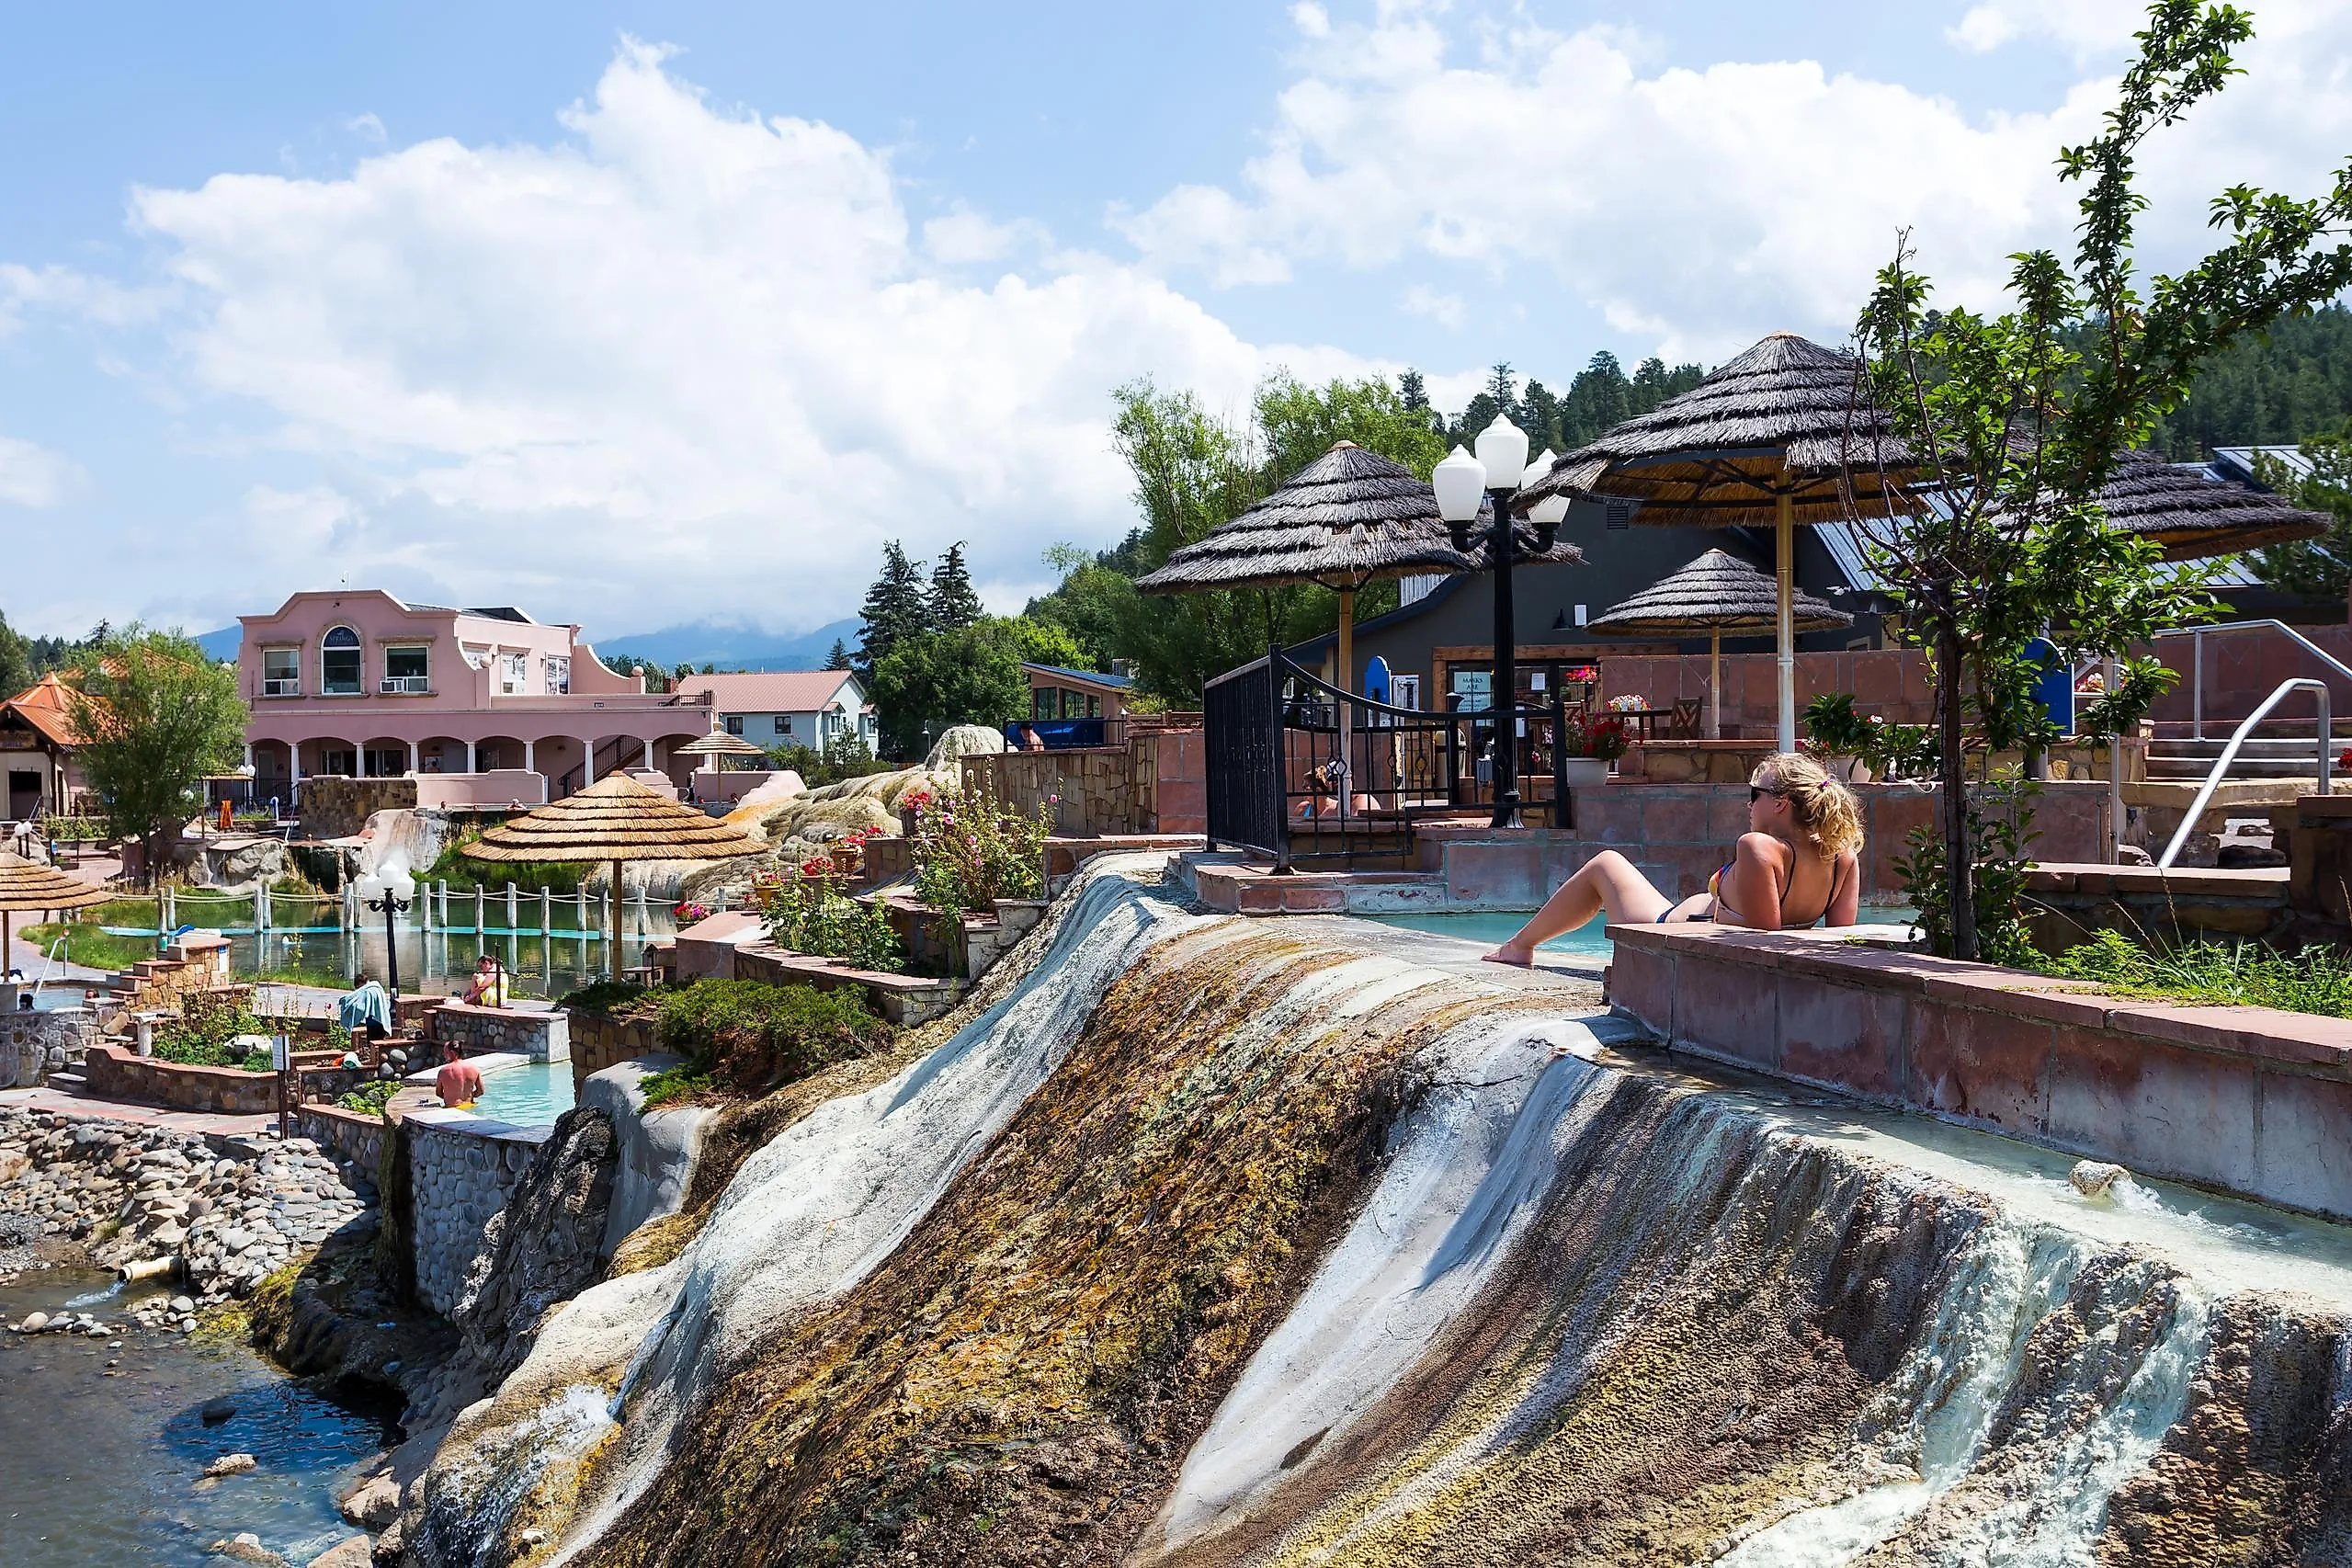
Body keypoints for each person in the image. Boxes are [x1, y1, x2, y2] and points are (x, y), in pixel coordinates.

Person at [1483, 752, 1863, 965]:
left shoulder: (1758, 847)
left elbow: (1762, 941)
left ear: (1780, 804)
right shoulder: (1843, 858)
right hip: (1693, 921)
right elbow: (1839, 939)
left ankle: (1519, 947)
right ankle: (1520, 945)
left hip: (1671, 927)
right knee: (1610, 865)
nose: (1748, 803)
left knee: (1606, 863)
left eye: (1754, 793)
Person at [435, 1044, 484, 1109]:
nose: (444, 1055)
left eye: (446, 1052)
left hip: (453, 1109)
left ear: (452, 1053)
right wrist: (470, 1096)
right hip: (470, 1106)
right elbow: (481, 1091)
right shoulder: (474, 1068)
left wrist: (451, 1097)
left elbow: (438, 1093)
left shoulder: (444, 1071)